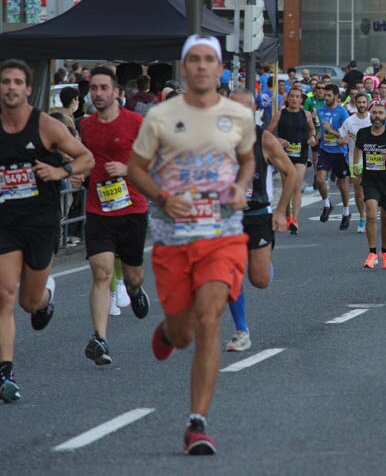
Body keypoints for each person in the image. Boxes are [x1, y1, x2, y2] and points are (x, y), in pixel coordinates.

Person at [126, 34, 256, 455]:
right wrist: (164, 198)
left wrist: (239, 186)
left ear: (220, 69)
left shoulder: (237, 116)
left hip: (222, 235)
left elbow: (248, 158)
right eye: (194, 60)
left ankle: (196, 423)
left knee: (210, 320)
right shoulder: (161, 117)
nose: (201, 67)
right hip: (173, 238)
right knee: (183, 332)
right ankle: (167, 331)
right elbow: (136, 169)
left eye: (209, 60)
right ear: (184, 69)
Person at [0, 59, 95, 402]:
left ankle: (45, 297)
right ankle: (5, 375)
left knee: (29, 302)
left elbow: (86, 157)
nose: (11, 87)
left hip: (41, 223)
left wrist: (63, 172)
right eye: (6, 82)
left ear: (28, 89)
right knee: (3, 295)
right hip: (4, 223)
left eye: (18, 81)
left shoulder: (46, 126)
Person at [76, 66, 151, 367]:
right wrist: (78, 174)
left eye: (104, 88)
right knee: (102, 274)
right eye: (93, 88)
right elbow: (82, 157)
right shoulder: (86, 125)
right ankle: (100, 339)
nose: (98, 93)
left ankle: (134, 289)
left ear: (117, 92)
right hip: (98, 210)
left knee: (133, 274)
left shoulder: (135, 122)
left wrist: (127, 169)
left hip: (132, 209)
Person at [225, 89, 294, 353]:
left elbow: (289, 173)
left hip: (257, 215)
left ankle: (265, 265)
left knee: (260, 280)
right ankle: (241, 331)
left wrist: (279, 211)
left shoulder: (264, 140)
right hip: (228, 217)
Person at [354, 103, 386, 270]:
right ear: (370, 115)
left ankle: (385, 253)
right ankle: (372, 253)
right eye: (374, 113)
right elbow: (358, 149)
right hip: (370, 179)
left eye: (380, 113)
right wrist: (355, 165)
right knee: (371, 214)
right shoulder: (363, 133)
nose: (377, 116)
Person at [268, 86, 315, 235]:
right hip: (284, 155)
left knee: (296, 186)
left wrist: (312, 137)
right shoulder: (280, 114)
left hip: (301, 153)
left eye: (297, 97)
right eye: (292, 96)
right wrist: (278, 139)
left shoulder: (306, 114)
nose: (294, 99)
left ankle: (295, 220)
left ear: (301, 100)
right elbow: (267, 134)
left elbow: (312, 130)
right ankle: (287, 215)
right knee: (287, 186)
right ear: (288, 98)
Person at [315, 83, 352, 230]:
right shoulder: (320, 110)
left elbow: (346, 135)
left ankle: (346, 212)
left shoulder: (343, 113)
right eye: (325, 95)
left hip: (338, 152)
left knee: (342, 185)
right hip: (325, 150)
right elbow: (321, 131)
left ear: (337, 96)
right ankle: (326, 204)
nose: (326, 98)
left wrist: (331, 131)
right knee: (319, 180)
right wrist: (315, 137)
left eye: (329, 95)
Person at [339, 92, 372, 233]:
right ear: (356, 103)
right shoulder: (349, 121)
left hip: (373, 159)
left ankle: (371, 217)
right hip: (355, 160)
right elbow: (339, 139)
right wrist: (342, 141)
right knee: (359, 192)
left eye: (364, 102)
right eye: (359, 102)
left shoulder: (373, 118)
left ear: (368, 103)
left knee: (372, 191)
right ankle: (363, 217)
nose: (362, 105)